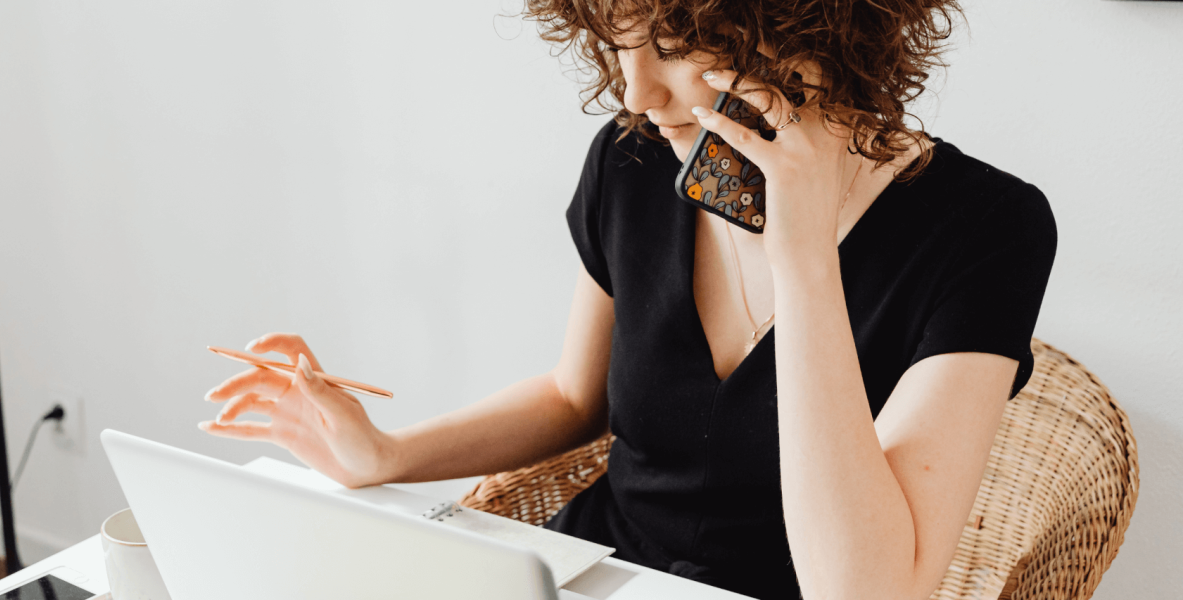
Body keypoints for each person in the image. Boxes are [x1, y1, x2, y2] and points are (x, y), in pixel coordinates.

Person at [198, 1, 1057, 598]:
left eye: (673, 45)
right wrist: (384, 454)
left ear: (803, 27)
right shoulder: (633, 158)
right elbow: (577, 397)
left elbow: (869, 589)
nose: (634, 94)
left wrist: (802, 256)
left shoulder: (988, 229)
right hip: (579, 572)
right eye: (615, 42)